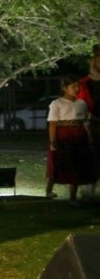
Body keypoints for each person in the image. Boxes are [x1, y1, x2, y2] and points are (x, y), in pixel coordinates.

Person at [46, 75, 94, 204]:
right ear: (64, 88)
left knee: (76, 165)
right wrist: (52, 140)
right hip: (64, 136)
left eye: (77, 86)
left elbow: (85, 123)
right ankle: (48, 191)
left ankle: (72, 197)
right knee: (58, 162)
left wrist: (89, 138)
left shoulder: (81, 103)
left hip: (78, 135)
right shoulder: (57, 103)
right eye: (73, 87)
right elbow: (53, 123)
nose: (76, 89)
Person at [76, 44, 100, 200]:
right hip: (93, 124)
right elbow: (81, 104)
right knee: (92, 155)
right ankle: (88, 190)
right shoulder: (85, 83)